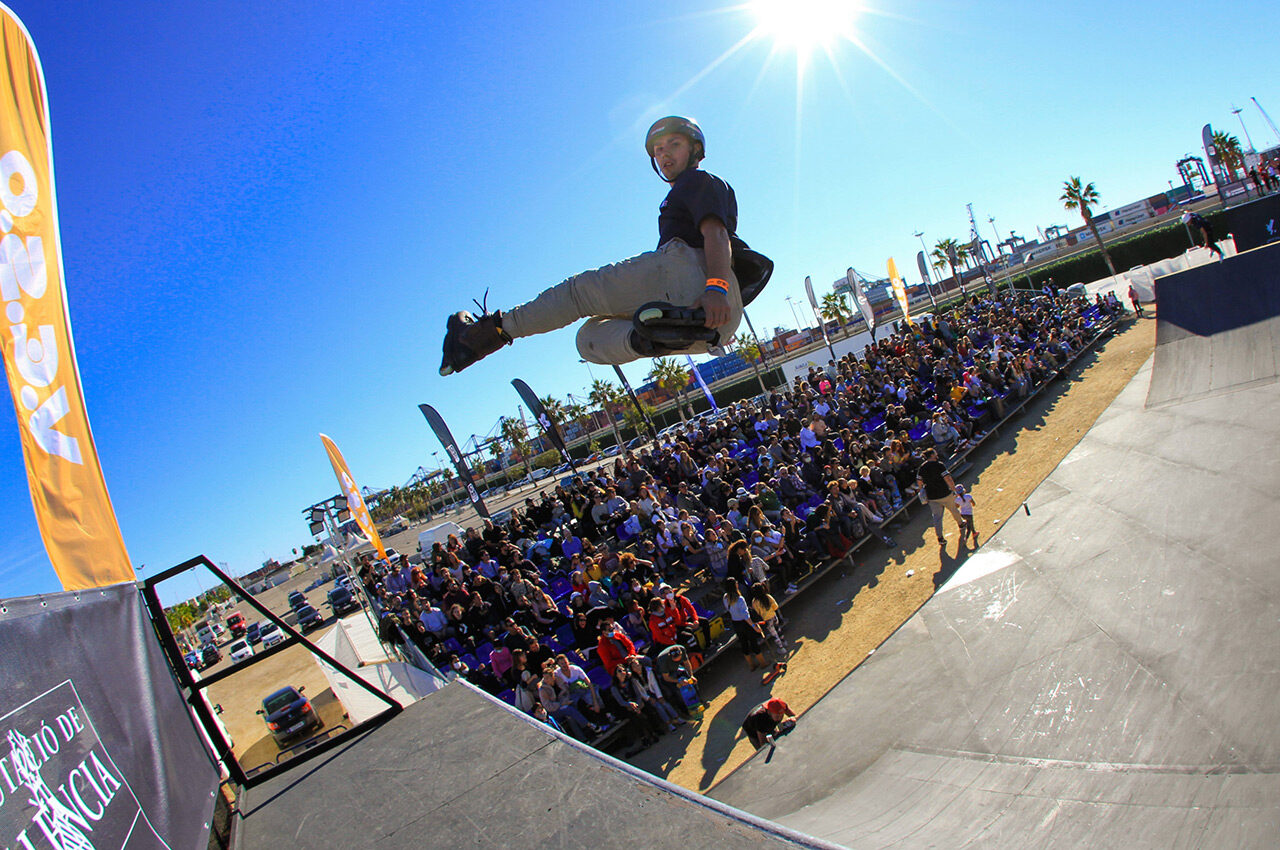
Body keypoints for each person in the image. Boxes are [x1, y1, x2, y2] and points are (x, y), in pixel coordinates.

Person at [440, 116, 770, 374]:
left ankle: (483, 336)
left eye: (674, 144)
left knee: (577, 293)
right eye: (658, 150)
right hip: (718, 327)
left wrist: (715, 287)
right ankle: (645, 338)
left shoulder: (699, 180)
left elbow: (716, 235)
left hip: (705, 280)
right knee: (588, 340)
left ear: (696, 150)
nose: (664, 153)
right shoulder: (693, 187)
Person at [916, 447, 961, 545]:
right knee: (954, 510)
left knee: (937, 518)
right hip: (944, 493)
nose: (936, 455)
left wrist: (922, 489)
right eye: (935, 453)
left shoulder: (922, 467)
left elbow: (919, 481)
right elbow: (948, 478)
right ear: (932, 455)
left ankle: (940, 538)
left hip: (932, 496)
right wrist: (953, 489)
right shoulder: (939, 465)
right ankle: (961, 524)